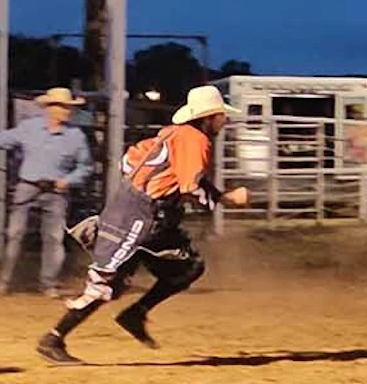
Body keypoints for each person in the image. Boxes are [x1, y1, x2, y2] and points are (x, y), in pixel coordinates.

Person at [37, 85, 248, 364]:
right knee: (108, 282)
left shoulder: (171, 134)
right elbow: (191, 186)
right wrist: (227, 199)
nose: (224, 121)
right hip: (140, 214)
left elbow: (130, 160)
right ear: (208, 117)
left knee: (188, 267)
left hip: (140, 209)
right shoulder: (195, 140)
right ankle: (53, 338)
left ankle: (135, 313)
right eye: (221, 116)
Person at [0, 87, 96, 296]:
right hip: (28, 187)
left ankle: (48, 284)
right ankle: (4, 282)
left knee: (53, 238)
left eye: (68, 107)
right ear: (50, 108)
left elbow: (86, 167)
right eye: (62, 107)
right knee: (15, 235)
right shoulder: (29, 128)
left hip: (56, 191)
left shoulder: (75, 136)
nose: (66, 111)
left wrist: (67, 181)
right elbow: (5, 138)